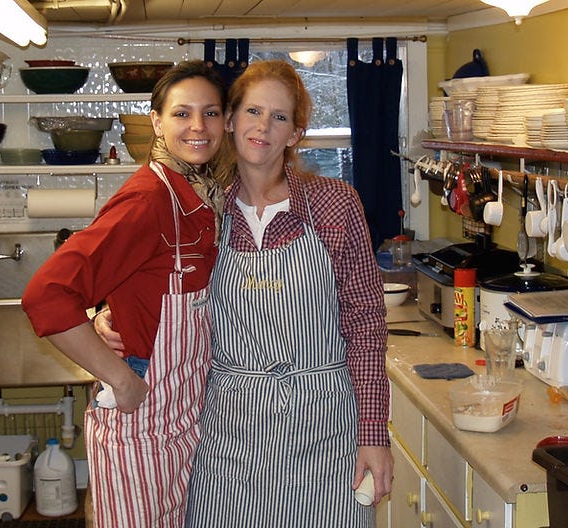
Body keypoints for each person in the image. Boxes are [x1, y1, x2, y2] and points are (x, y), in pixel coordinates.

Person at [97, 59, 393, 526]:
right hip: (230, 429)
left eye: (280, 117)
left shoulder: (336, 203)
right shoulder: (197, 209)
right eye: (253, 112)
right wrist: (106, 316)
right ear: (231, 121)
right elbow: (152, 285)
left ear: (296, 134)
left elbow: (366, 327)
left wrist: (374, 435)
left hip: (324, 426)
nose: (263, 127)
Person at [21, 59, 228, 528]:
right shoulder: (149, 199)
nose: (198, 126)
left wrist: (106, 309)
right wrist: (121, 379)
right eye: (181, 113)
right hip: (142, 413)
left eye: (210, 113)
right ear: (156, 121)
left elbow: (146, 283)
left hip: (184, 413)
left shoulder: (200, 195)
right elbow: (47, 295)